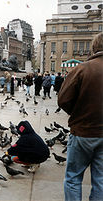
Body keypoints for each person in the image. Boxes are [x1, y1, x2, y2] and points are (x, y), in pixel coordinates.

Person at [58, 33, 103, 201]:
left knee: (73, 178)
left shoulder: (82, 68)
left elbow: (63, 99)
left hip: (83, 131)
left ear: (94, 47)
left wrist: (77, 113)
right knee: (101, 180)